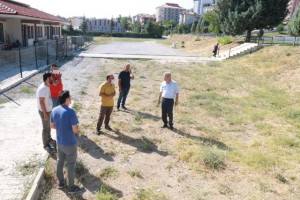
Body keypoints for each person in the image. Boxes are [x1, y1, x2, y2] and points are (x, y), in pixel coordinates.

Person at [50, 90, 85, 194]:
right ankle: (71, 187)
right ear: (66, 99)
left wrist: (61, 127)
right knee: (71, 164)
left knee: (60, 161)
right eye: (70, 98)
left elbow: (52, 126)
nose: (71, 100)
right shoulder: (70, 112)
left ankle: (61, 183)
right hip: (70, 143)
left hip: (59, 142)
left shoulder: (54, 110)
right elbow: (75, 130)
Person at [36, 72, 56, 153]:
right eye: (51, 78)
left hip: (48, 110)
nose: (52, 79)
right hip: (44, 111)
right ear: (47, 78)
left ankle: (49, 138)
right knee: (45, 128)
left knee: (48, 126)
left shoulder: (47, 85)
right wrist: (45, 114)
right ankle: (45, 144)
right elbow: (41, 102)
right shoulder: (42, 89)